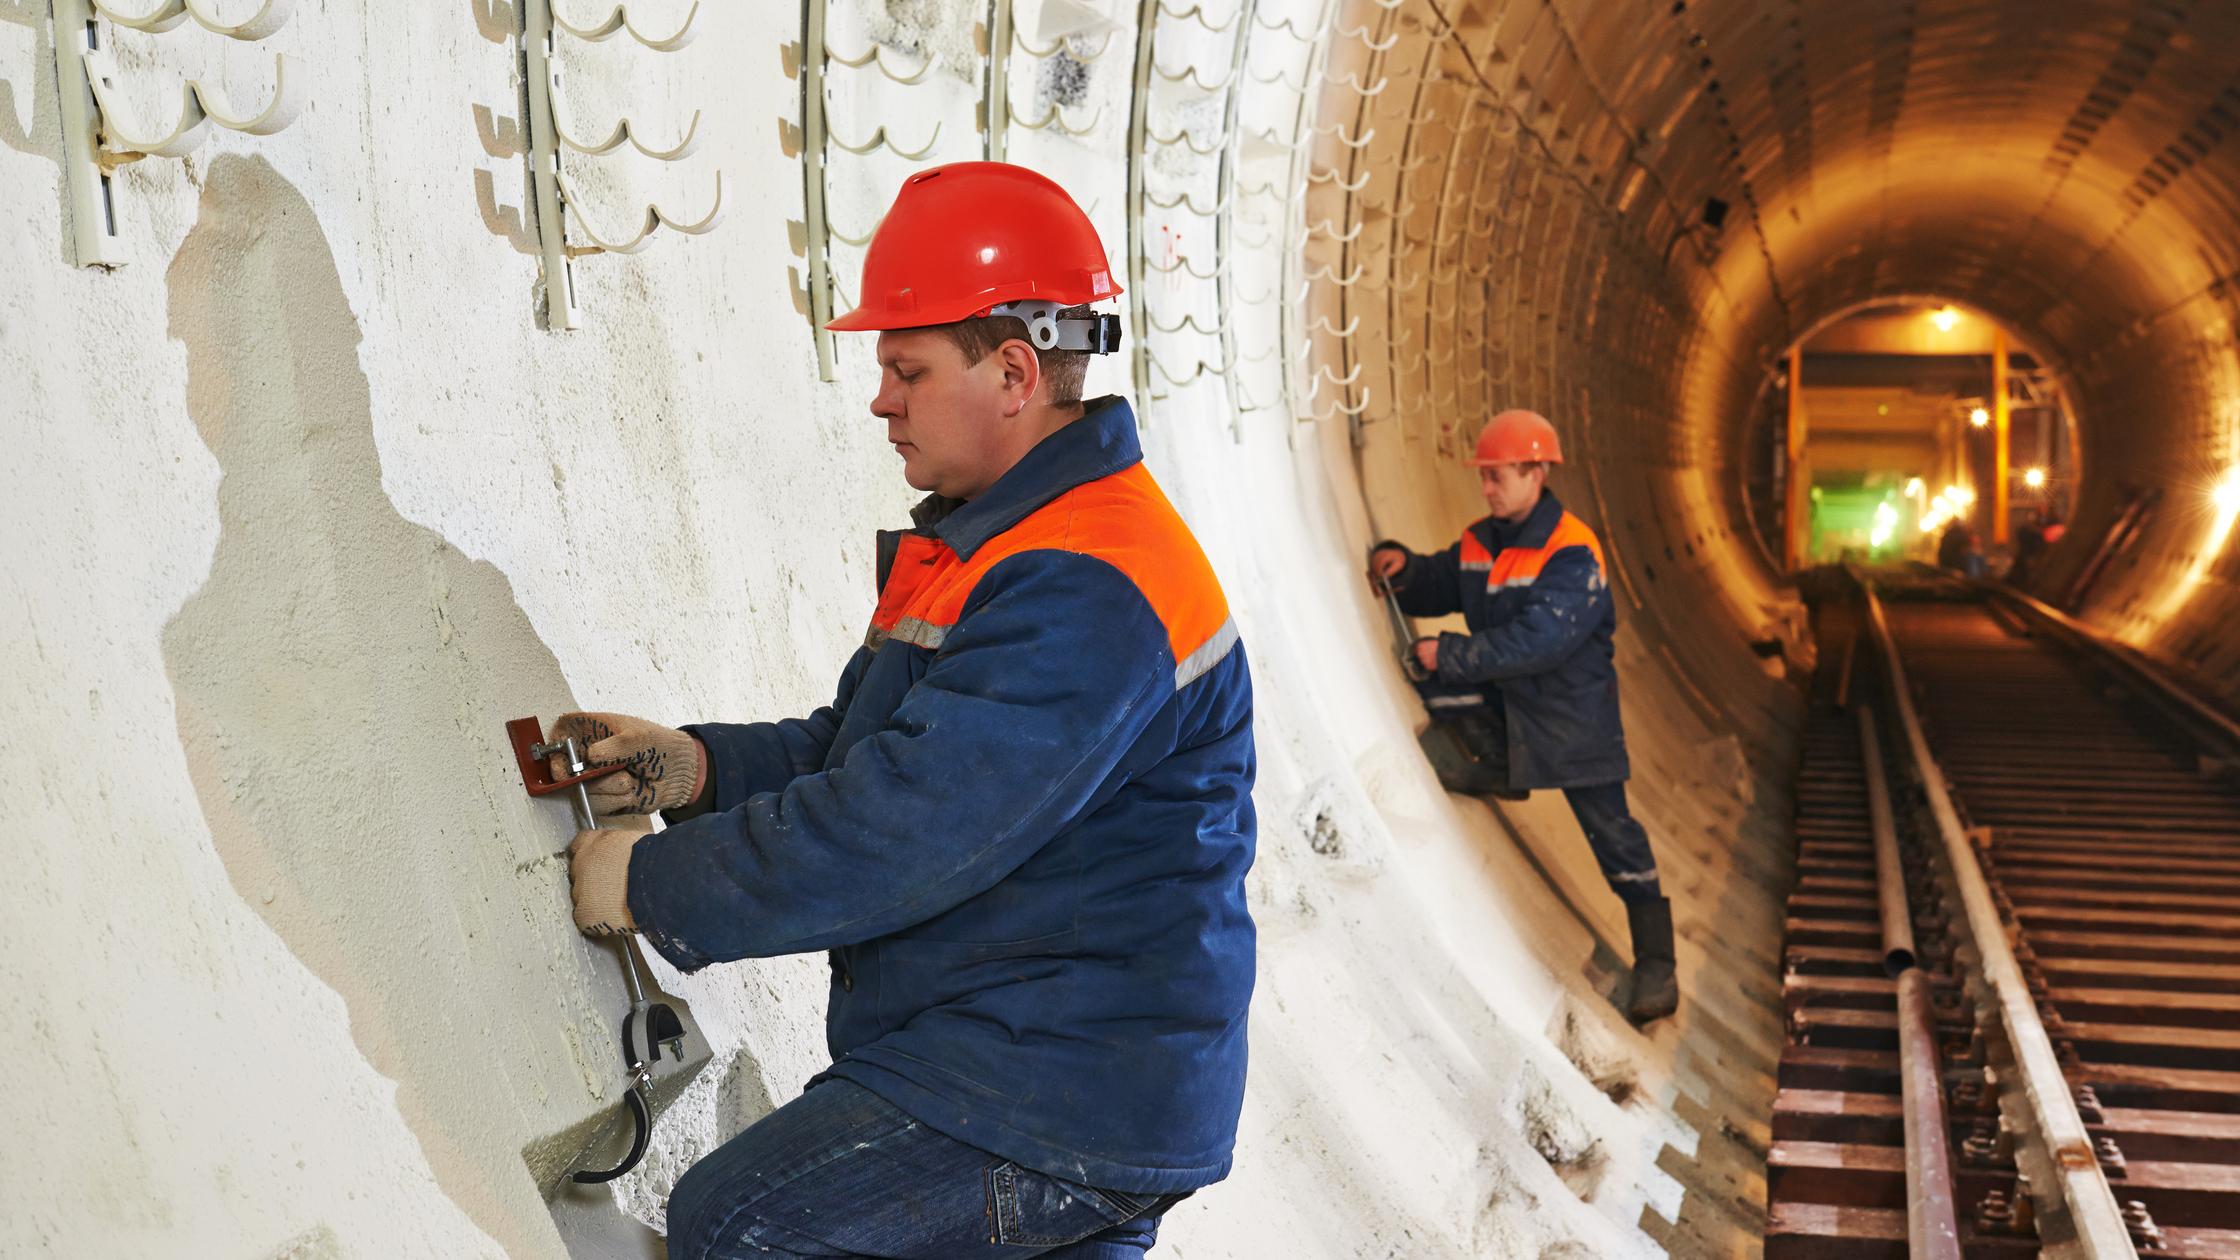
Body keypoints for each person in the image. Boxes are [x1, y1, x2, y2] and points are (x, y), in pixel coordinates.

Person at [553, 162, 1257, 1259]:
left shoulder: (1092, 582)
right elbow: (860, 755)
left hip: (1053, 1084)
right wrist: (695, 770)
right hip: (1046, 1061)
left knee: (740, 1224)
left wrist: (649, 884)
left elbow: (905, 828)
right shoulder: (997, 541)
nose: (880, 398)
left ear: (1014, 373)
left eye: (907, 368)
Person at [1366, 410, 1677, 1025]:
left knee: (1615, 840)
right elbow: (1444, 581)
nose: (1487, 488)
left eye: (1498, 476)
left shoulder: (1572, 551)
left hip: (1573, 722)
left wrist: (1452, 651)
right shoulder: (1485, 539)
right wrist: (1404, 568)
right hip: (1512, 708)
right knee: (1428, 680)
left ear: (1537, 472)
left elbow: (1542, 641)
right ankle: (1498, 768)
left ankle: (1657, 966)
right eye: (1484, 477)